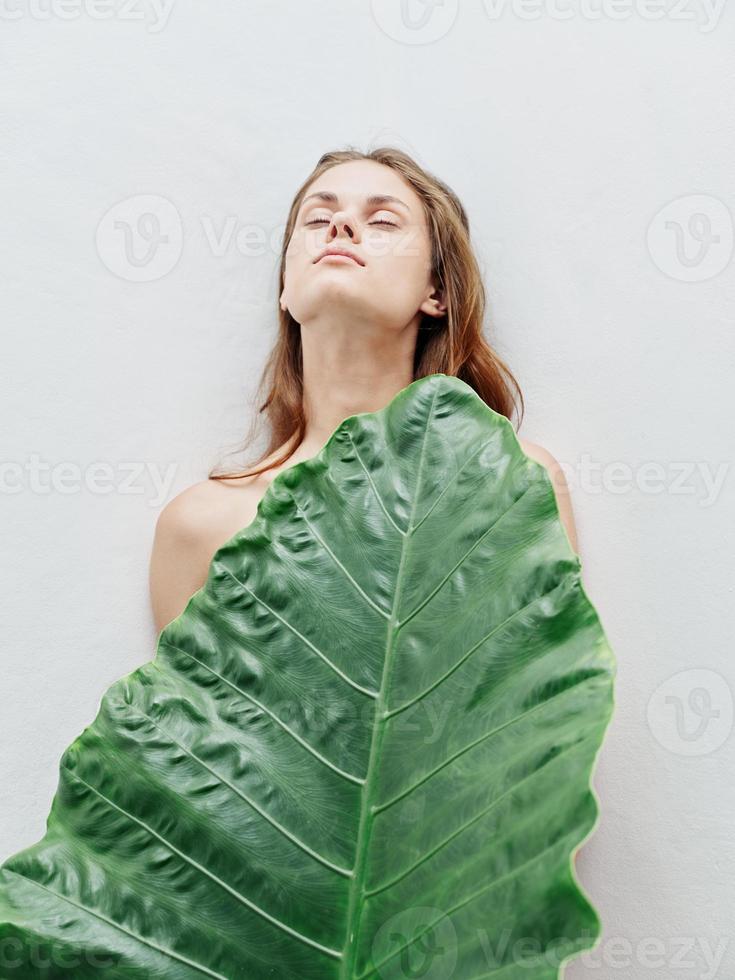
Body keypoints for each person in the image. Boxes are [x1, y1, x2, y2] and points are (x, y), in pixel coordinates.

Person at [149, 147, 578, 636]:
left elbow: (542, 697)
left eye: (383, 222)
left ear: (435, 291)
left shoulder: (509, 480)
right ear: (286, 287)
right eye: (317, 218)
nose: (341, 227)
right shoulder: (199, 526)